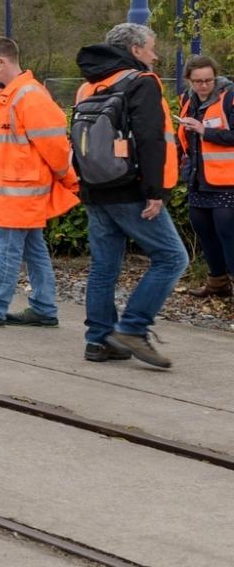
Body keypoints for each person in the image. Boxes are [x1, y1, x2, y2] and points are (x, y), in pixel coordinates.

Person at [74, 22, 189, 368]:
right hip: (131, 189)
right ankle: (133, 328)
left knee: (104, 267)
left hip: (95, 188)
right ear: (135, 50)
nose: (155, 54)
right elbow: (151, 138)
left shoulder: (89, 85)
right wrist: (155, 191)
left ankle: (98, 341)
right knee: (173, 258)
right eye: (151, 47)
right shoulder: (141, 82)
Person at [0, 37, 77, 327]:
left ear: (1, 62)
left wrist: (67, 179)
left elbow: (56, 147)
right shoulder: (16, 94)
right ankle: (44, 308)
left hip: (21, 191)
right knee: (33, 250)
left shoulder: (26, 95)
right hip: (18, 189)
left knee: (7, 247)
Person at [177, 55, 234, 299]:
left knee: (227, 232)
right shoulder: (187, 101)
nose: (203, 85)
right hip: (198, 179)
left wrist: (205, 131)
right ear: (189, 80)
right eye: (198, 81)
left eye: (208, 80)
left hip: (227, 181)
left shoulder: (229, 97)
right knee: (204, 230)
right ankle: (217, 282)